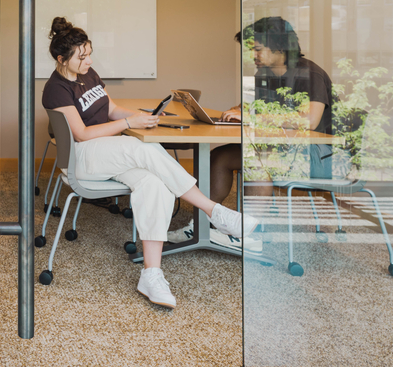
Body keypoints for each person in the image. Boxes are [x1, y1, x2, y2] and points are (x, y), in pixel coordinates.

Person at [42, 17, 257, 309]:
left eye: (90, 53)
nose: (89, 60)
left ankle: (151, 274)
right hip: (82, 157)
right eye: (82, 57)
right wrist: (131, 123)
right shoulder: (56, 88)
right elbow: (80, 134)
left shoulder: (88, 75)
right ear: (61, 59)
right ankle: (212, 210)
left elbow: (112, 109)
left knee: (154, 182)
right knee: (141, 147)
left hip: (106, 153)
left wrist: (145, 117)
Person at [168, 17, 333, 251]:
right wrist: (238, 110)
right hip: (280, 148)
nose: (252, 55)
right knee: (221, 156)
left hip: (314, 155)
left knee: (255, 161)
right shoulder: (265, 73)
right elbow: (255, 107)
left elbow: (310, 120)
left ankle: (250, 236)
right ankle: (203, 224)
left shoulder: (309, 74)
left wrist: (252, 117)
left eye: (257, 49)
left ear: (279, 46)